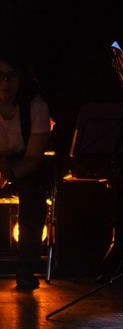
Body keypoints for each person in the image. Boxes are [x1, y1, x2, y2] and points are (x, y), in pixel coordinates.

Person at [0, 51, 52, 291]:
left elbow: (34, 157)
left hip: (25, 161)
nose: (5, 83)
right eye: (0, 76)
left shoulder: (35, 106)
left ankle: (25, 269)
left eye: (11, 76)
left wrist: (9, 173)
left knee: (34, 198)